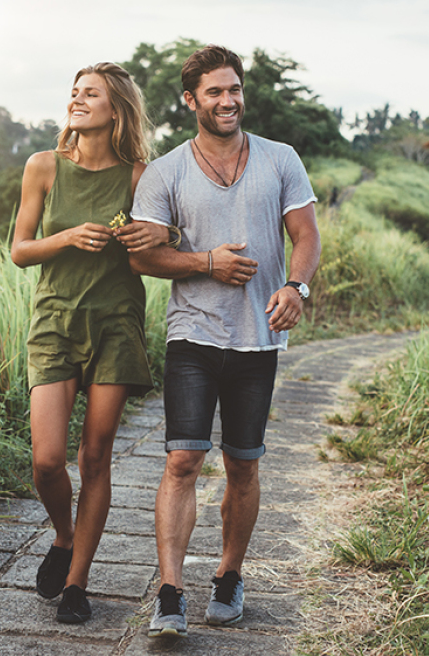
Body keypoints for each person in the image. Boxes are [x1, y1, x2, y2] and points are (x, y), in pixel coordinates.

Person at [128, 44, 321, 638]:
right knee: (183, 458)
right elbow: (145, 257)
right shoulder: (167, 171)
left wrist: (296, 287)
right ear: (191, 100)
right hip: (193, 333)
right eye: (214, 91)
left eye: (233, 89)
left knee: (243, 464)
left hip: (258, 338)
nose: (228, 100)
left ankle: (229, 575)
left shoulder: (280, 158)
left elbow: (306, 235)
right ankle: (169, 591)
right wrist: (207, 262)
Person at [10, 61, 175, 624]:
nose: (77, 100)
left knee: (95, 456)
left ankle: (77, 582)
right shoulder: (43, 167)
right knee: (48, 461)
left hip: (116, 324)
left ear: (116, 109)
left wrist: (164, 232)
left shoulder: (139, 176)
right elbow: (20, 249)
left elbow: (163, 243)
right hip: (54, 322)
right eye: (75, 92)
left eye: (91, 94)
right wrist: (66, 237)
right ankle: (62, 535)